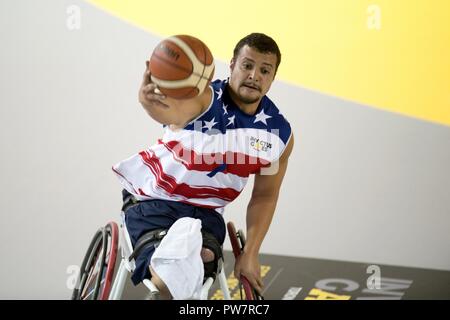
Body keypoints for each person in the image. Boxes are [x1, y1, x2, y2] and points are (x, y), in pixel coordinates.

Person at [112, 33, 294, 299]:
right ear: (232, 65)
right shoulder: (201, 99)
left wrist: (251, 253)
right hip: (155, 201)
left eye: (265, 70)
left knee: (201, 259)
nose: (255, 75)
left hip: (206, 215)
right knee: (169, 277)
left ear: (273, 77)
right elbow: (169, 112)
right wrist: (147, 102)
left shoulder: (278, 136)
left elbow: (265, 195)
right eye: (247, 65)